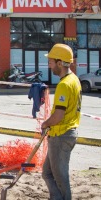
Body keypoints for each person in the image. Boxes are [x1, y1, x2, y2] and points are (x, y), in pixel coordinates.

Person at [41, 43, 82, 200]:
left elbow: (58, 115)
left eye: (51, 62)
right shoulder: (74, 80)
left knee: (60, 178)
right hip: (64, 134)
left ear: (60, 63)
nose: (49, 65)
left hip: (61, 135)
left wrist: (45, 124)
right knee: (47, 173)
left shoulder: (64, 85)